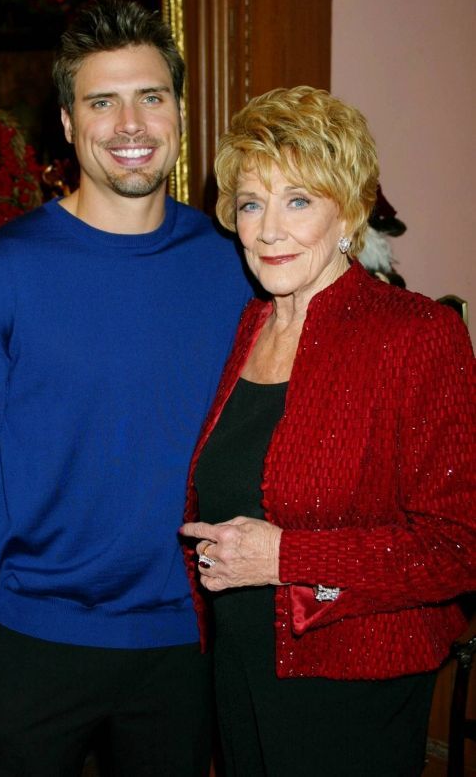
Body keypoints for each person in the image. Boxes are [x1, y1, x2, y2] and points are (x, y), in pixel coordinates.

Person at [0, 0, 252, 776]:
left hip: (183, 642)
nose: (130, 123)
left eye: (151, 96)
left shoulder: (233, 265)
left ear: (179, 111)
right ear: (68, 124)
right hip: (28, 644)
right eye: (102, 102)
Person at [181, 86, 475, 776]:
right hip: (241, 665)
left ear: (346, 210)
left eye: (299, 200)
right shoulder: (252, 324)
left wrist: (289, 559)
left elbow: (458, 546)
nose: (269, 229)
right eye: (252, 204)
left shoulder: (416, 334)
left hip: (353, 687)